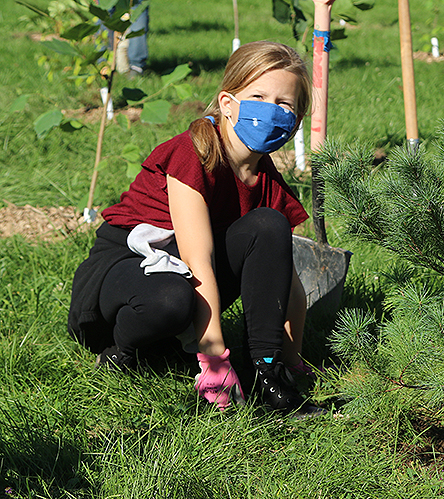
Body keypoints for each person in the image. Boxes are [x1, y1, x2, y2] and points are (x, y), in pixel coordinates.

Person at [68, 41, 321, 416]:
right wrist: (215, 359)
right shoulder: (194, 153)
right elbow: (197, 259)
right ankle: (122, 352)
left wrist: (291, 364)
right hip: (124, 274)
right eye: (259, 96)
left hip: (180, 279)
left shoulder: (266, 180)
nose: (271, 110)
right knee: (171, 299)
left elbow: (288, 285)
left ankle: (266, 377)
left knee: (269, 225)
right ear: (227, 103)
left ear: (296, 120)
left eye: (284, 104)